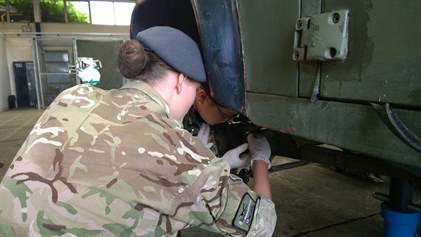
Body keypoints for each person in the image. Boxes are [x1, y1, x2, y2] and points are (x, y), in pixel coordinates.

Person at [0, 26, 276, 236]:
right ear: (181, 81)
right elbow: (262, 224)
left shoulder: (73, 96)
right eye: (195, 89)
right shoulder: (178, 152)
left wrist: (212, 167)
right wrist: (260, 159)